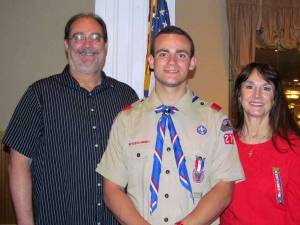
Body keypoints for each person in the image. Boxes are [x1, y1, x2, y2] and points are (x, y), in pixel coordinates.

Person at [96, 26, 244, 225]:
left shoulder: (216, 121)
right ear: (151, 62)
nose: (172, 62)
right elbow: (111, 188)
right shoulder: (126, 120)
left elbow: (224, 188)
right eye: (163, 53)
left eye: (181, 55)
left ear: (192, 63)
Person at [2, 13, 138, 225]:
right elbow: (18, 164)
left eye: (95, 37)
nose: (87, 45)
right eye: (78, 37)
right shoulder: (39, 95)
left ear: (105, 45)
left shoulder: (126, 96)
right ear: (67, 45)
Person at [220, 63, 300, 225]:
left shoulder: (294, 148)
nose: (257, 95)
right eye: (249, 86)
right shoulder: (223, 144)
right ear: (239, 95)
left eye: (266, 88)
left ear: (275, 98)